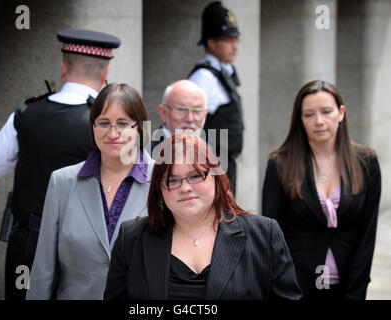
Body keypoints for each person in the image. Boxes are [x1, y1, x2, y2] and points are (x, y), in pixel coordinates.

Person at [0, 29, 120, 300]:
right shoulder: (109, 125)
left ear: (63, 68)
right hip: (88, 246)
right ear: (104, 74)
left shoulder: (25, 115)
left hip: (28, 244)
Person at [104, 134, 302, 300]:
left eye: (196, 175)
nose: (185, 188)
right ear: (159, 190)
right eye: (172, 180)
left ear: (216, 176)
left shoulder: (264, 235)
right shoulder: (131, 238)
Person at [26, 83, 153, 300]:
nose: (113, 133)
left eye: (123, 123)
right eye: (104, 123)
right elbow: (43, 270)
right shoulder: (62, 182)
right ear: (93, 127)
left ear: (140, 127)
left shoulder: (165, 181)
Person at [262, 80, 381, 300]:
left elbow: (367, 234)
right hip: (295, 284)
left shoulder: (367, 162)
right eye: (308, 114)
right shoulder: (280, 164)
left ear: (341, 113)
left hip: (348, 282)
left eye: (326, 111)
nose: (318, 121)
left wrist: (356, 290)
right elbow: (272, 233)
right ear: (300, 119)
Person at [188, 1, 243, 196]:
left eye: (236, 40)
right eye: (228, 40)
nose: (235, 46)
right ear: (211, 43)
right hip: (214, 165)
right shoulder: (203, 77)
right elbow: (188, 125)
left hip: (225, 162)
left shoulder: (224, 71)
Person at [150, 79, 208, 156]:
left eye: (196, 111)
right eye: (181, 109)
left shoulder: (208, 150)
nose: (190, 119)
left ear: (205, 113)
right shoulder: (147, 158)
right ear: (163, 113)